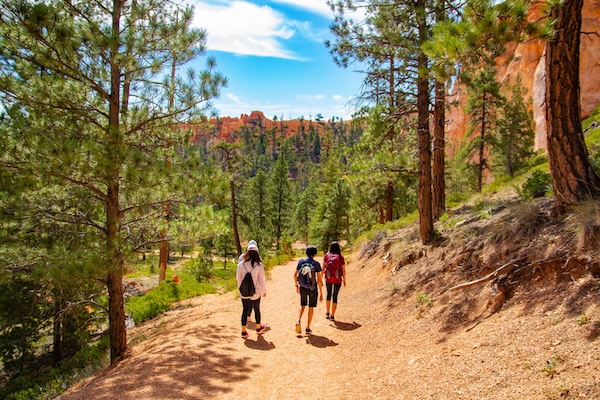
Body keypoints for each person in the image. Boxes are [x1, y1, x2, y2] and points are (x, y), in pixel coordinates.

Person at [236, 240, 267, 339]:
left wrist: (241, 288)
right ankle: (258, 328)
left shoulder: (241, 264)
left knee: (245, 310)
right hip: (256, 292)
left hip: (244, 292)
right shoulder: (259, 265)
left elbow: (238, 278)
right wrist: (264, 291)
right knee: (257, 309)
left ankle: (244, 331)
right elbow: (262, 279)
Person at [294, 245, 323, 335]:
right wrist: (321, 292)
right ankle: (308, 327)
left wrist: (297, 285)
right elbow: (319, 280)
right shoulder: (316, 264)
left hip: (303, 287)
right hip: (312, 288)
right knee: (311, 307)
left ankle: (298, 320)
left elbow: (295, 275)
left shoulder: (301, 262)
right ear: (315, 253)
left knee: (302, 305)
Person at [323, 241, 346, 321]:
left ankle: (327, 312)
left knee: (328, 294)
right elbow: (343, 270)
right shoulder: (340, 257)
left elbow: (323, 268)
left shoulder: (326, 256)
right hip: (338, 279)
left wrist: (321, 277)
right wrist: (344, 280)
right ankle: (332, 315)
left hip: (328, 278)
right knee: (335, 296)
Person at [239, 240, 257, 322]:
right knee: (252, 300)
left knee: (245, 301)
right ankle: (248, 315)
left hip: (243, 283)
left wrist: (239, 285)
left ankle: (246, 315)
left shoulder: (241, 257)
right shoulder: (257, 257)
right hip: (253, 283)